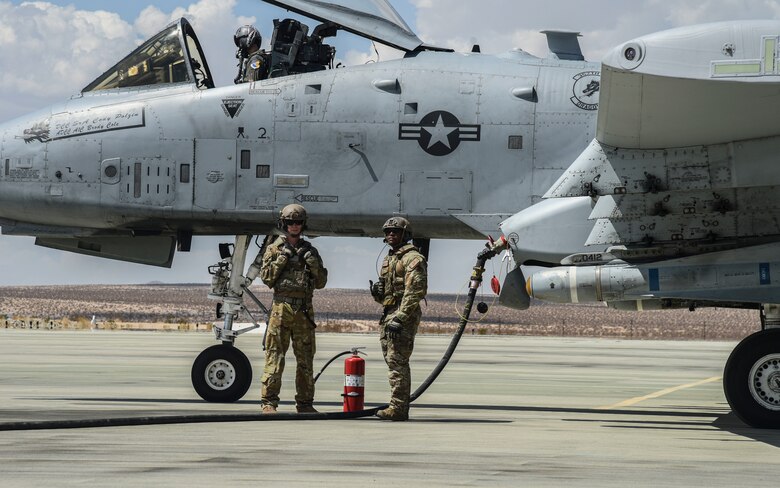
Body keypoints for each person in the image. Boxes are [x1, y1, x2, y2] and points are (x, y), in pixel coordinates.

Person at [244, 204, 327, 413]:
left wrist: (313, 264)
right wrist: (283, 258)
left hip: (304, 311)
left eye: (298, 222)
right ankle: (269, 402)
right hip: (282, 309)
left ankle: (305, 403)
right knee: (275, 357)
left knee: (306, 359)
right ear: (284, 224)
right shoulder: (274, 249)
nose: (295, 226)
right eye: (291, 222)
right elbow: (268, 279)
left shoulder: (310, 251)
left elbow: (321, 282)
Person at [370, 217, 428, 421]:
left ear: (405, 234)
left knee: (398, 361)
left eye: (396, 231)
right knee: (392, 360)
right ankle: (397, 405)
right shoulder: (390, 258)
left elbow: (415, 291)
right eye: (388, 231)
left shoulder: (413, 258)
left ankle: (398, 408)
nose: (391, 234)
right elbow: (387, 293)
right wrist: (377, 293)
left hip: (403, 314)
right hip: (389, 312)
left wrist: (401, 318)